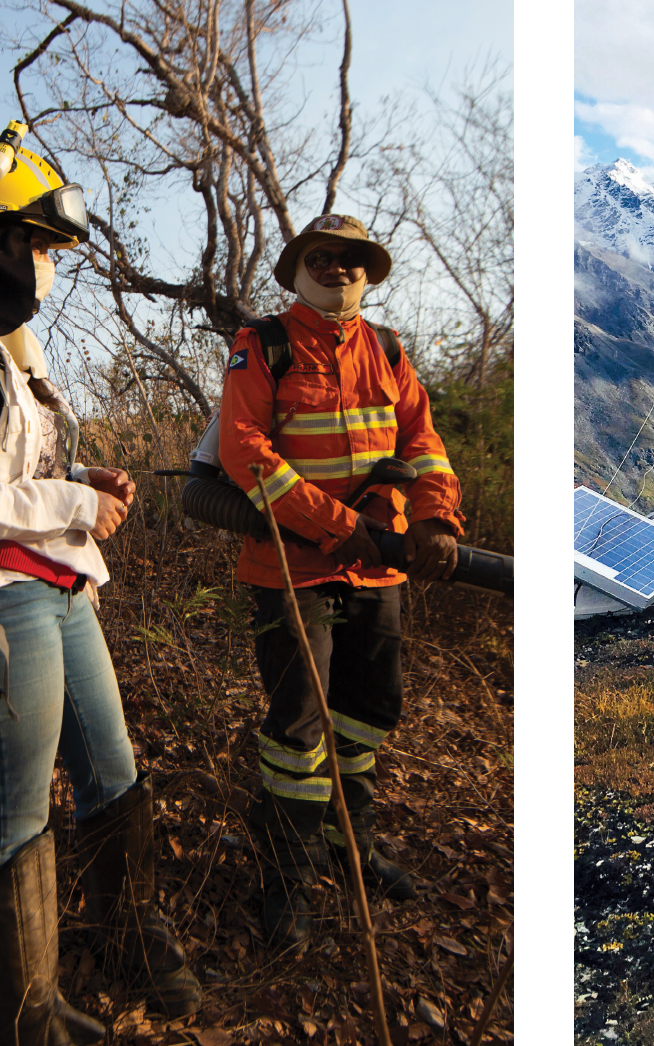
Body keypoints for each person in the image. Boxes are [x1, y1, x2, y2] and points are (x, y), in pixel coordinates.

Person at [0, 122, 199, 1036]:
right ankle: (26, 1015)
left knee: (113, 772)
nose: (48, 267)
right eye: (37, 244)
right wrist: (66, 501)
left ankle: (129, 939)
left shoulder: (10, 360)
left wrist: (82, 487)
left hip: (58, 593)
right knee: (14, 814)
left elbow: (9, 477)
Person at [214, 213, 463, 948]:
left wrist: (437, 519)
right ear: (298, 268)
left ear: (368, 272)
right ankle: (286, 877)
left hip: (379, 565)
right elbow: (244, 449)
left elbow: (422, 441)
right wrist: (333, 522)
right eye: (322, 258)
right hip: (292, 566)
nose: (339, 270)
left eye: (352, 260)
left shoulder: (387, 349)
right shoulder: (262, 344)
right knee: (298, 726)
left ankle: (349, 843)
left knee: (368, 711)